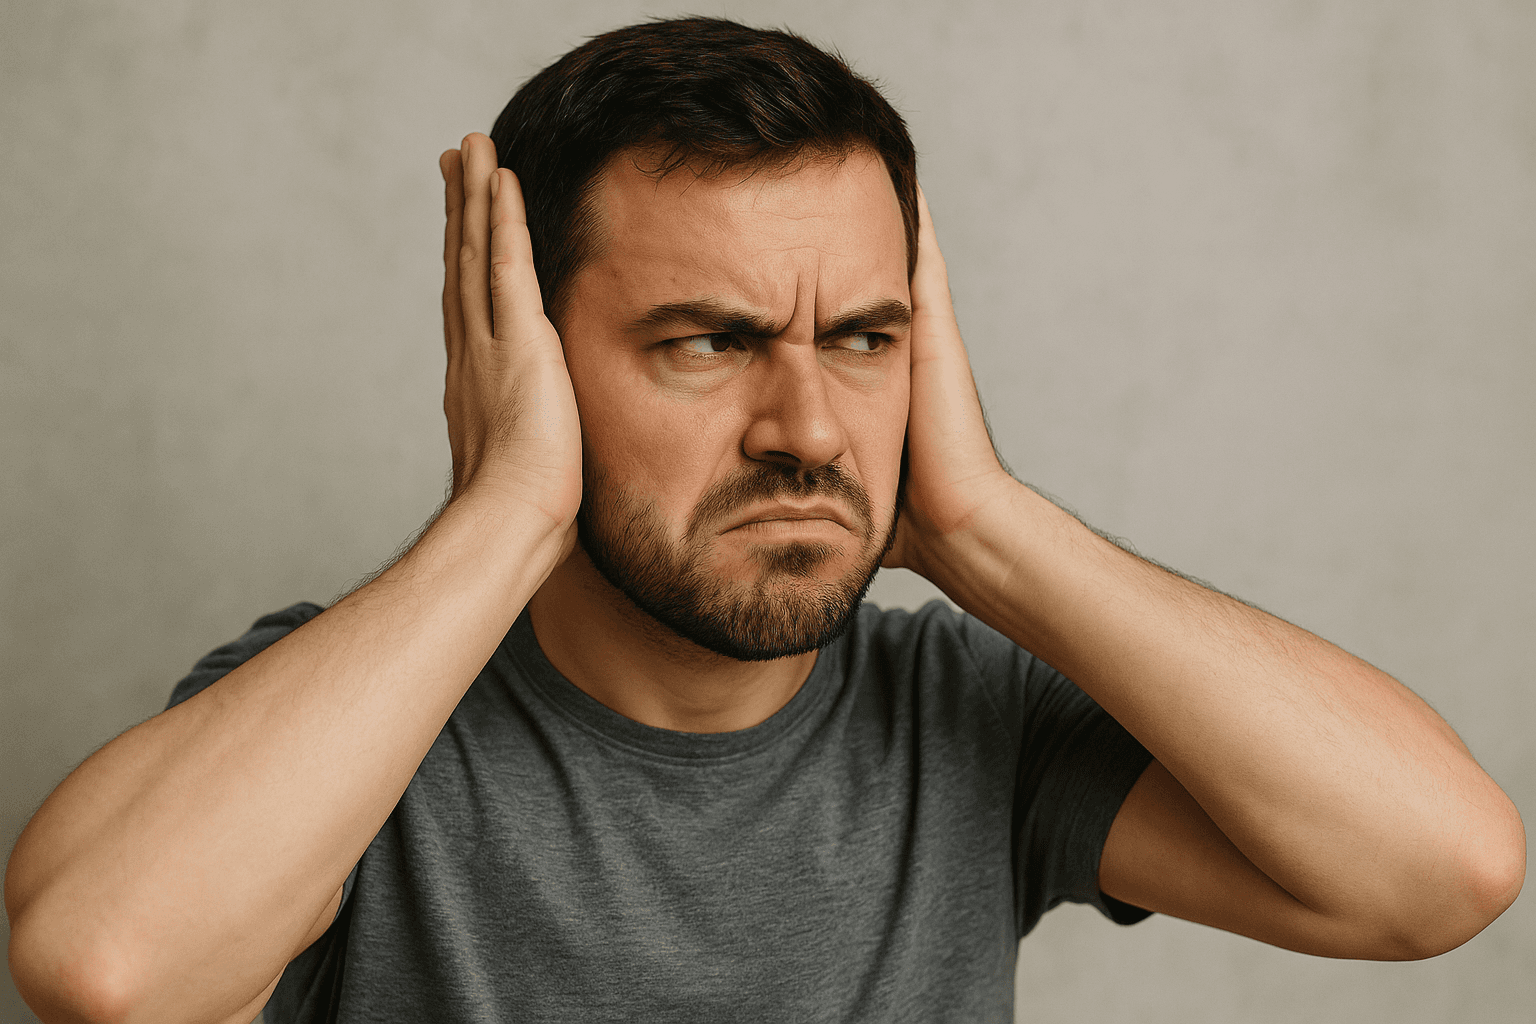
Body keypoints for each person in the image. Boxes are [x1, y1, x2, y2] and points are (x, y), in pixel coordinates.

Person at [5, 16, 1525, 1024]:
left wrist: (979, 523)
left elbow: (1439, 874)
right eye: (709, 341)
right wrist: (503, 511)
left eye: (862, 338)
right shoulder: (354, 724)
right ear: (523, 352)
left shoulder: (965, 715)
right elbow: (103, 968)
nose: (807, 430)